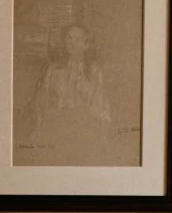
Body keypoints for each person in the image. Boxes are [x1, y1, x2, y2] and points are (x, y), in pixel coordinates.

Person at [25, 24, 111, 164]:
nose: (72, 43)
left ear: (86, 44)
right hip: (57, 124)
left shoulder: (94, 70)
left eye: (77, 39)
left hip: (84, 126)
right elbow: (42, 100)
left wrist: (103, 137)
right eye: (69, 38)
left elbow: (101, 105)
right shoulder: (54, 69)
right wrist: (37, 129)